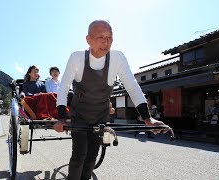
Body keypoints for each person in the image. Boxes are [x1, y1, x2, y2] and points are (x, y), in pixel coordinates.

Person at [54, 20, 169, 180]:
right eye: (100, 37)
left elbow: (133, 87)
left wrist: (147, 118)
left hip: (100, 115)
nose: (106, 41)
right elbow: (64, 87)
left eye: (110, 37)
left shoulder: (117, 58)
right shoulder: (77, 58)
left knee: (92, 155)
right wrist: (61, 118)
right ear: (88, 39)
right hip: (79, 115)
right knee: (80, 154)